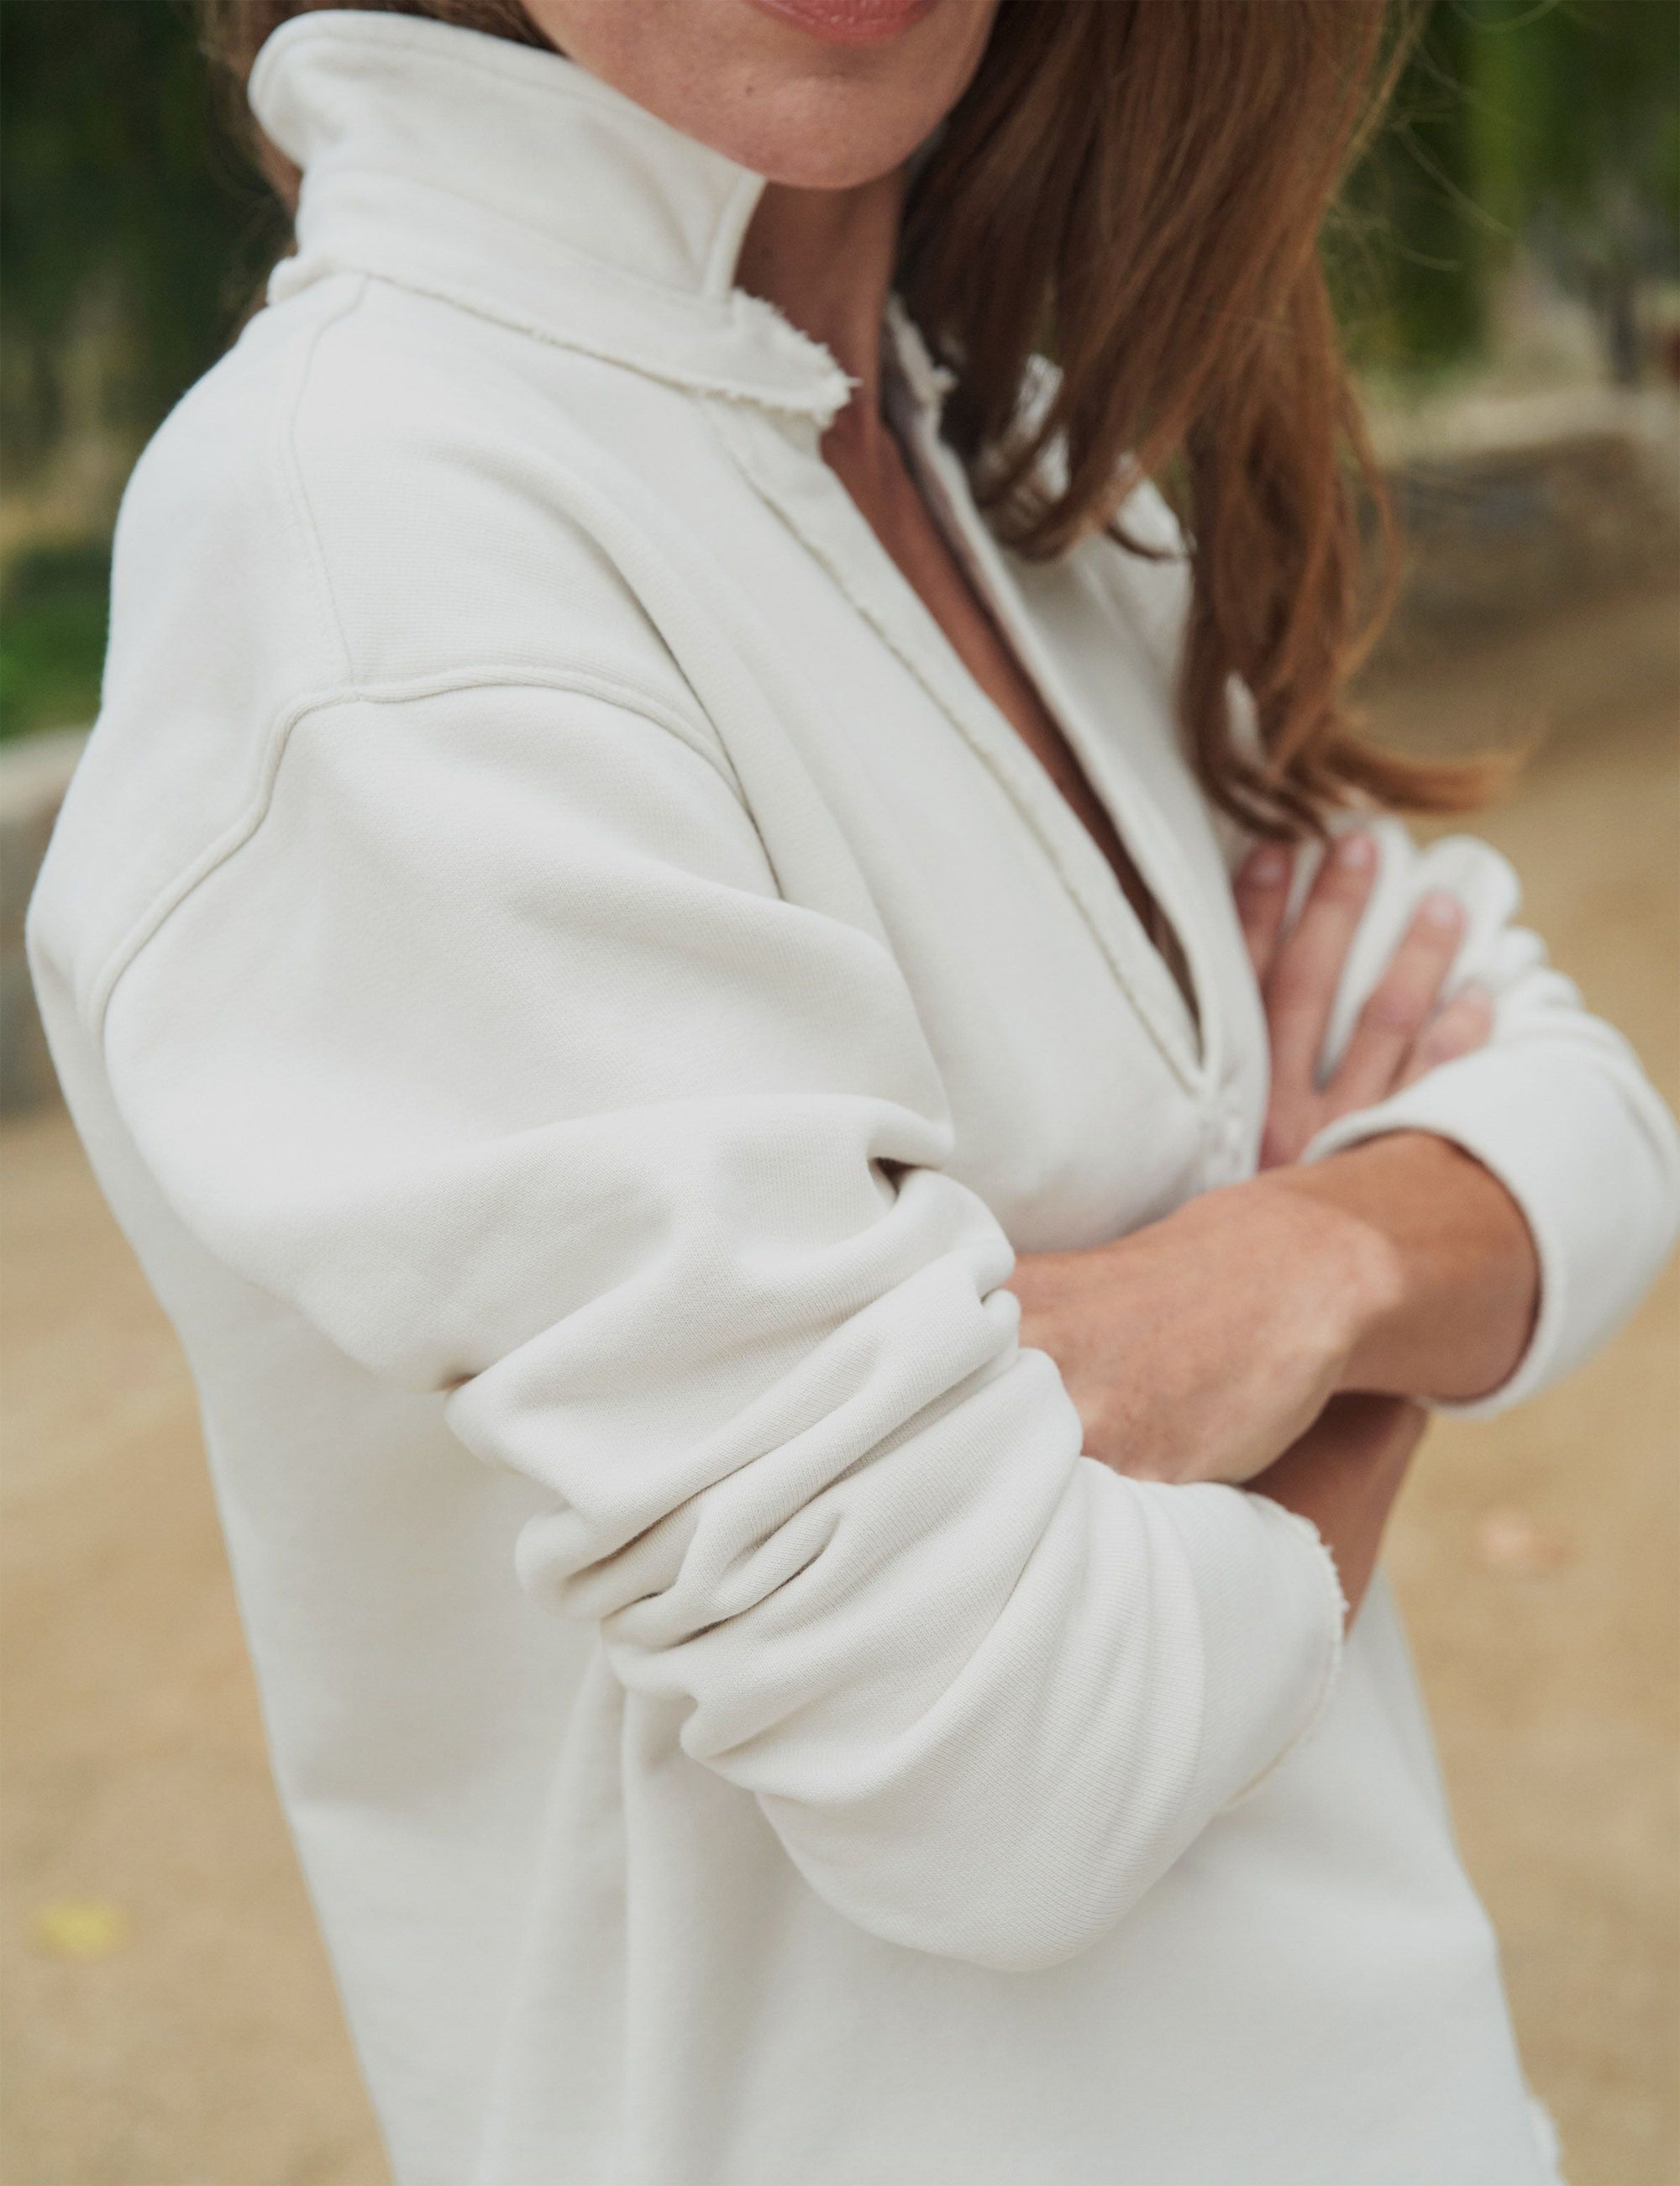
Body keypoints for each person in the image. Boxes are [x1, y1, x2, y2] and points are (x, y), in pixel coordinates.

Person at [28, 3, 1677, 2180]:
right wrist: (1384, 1345)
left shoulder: (1031, 483)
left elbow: (1571, 1107)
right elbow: (1001, 1755)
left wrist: (1285, 1268)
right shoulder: (379, 553)